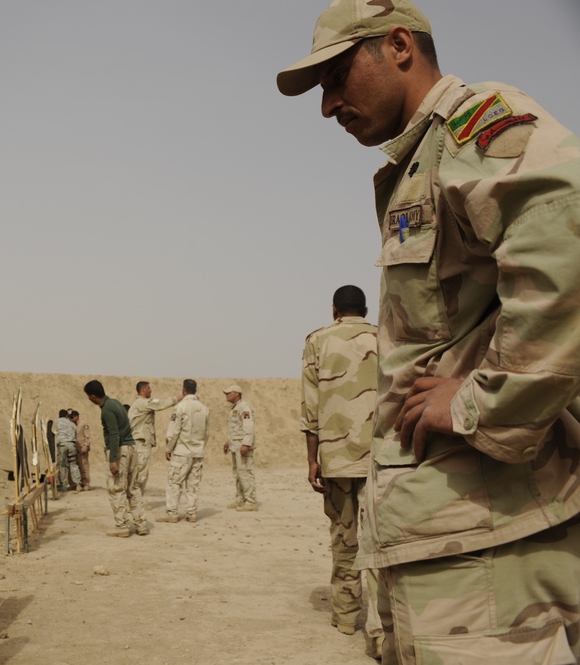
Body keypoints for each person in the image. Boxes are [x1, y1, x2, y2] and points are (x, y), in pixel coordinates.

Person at [278, 1, 580, 662]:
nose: (327, 105)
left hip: (486, 540)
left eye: (334, 77)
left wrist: (480, 401)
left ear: (398, 46)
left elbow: (569, 252)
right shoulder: (420, 161)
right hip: (449, 530)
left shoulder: (477, 126)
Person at [300, 285, 382, 654]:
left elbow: (310, 405)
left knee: (344, 538)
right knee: (382, 542)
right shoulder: (385, 337)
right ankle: (382, 632)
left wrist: (312, 457)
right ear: (365, 309)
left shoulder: (318, 340)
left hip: (336, 458)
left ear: (335, 310)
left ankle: (347, 617)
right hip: (382, 457)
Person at [83, 379, 149, 537]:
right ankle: (141, 525)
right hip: (132, 448)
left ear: (92, 396)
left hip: (121, 451)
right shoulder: (115, 403)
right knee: (133, 489)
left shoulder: (107, 409)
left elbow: (114, 434)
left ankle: (122, 527)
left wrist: (113, 459)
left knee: (116, 488)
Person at [158, 379, 209, 524]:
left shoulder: (180, 407)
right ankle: (191, 513)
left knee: (174, 483)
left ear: (183, 390)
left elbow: (174, 431)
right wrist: (199, 446)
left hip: (182, 452)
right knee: (193, 484)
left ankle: (172, 513)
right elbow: (207, 432)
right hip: (197, 452)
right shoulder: (204, 408)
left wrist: (169, 448)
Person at [127, 381, 178, 495]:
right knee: (141, 473)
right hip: (141, 443)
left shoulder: (139, 403)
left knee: (138, 472)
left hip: (139, 443)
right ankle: (135, 501)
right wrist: (178, 398)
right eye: (149, 388)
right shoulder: (143, 403)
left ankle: (134, 500)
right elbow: (161, 404)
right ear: (143, 390)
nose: (151, 391)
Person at [221, 384, 258, 512]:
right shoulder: (235, 408)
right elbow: (236, 428)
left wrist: (246, 444)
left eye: (229, 393)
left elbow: (248, 427)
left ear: (236, 393)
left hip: (242, 446)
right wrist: (228, 442)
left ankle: (250, 501)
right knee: (237, 473)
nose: (226, 395)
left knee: (245, 473)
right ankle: (240, 499)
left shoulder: (244, 408)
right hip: (235, 445)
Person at [54, 409, 80, 492]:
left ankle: (63, 485)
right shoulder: (72, 423)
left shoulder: (56, 422)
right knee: (73, 464)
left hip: (62, 445)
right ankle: (78, 484)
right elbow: (76, 432)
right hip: (72, 444)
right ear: (66, 416)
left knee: (62, 465)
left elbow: (52, 432)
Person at [69, 409, 92, 491]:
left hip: (82, 449)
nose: (71, 419)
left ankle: (86, 483)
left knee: (84, 466)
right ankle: (78, 483)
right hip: (75, 449)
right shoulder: (73, 425)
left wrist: (85, 446)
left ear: (77, 416)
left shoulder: (83, 425)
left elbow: (88, 436)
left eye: (73, 417)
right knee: (77, 467)